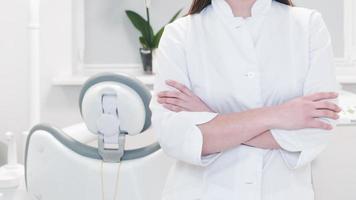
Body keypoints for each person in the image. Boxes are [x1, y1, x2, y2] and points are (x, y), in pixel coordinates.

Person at [149, 0, 342, 199]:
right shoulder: (179, 34)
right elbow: (174, 137)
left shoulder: (308, 25)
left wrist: (212, 120)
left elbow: (318, 128)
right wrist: (279, 115)